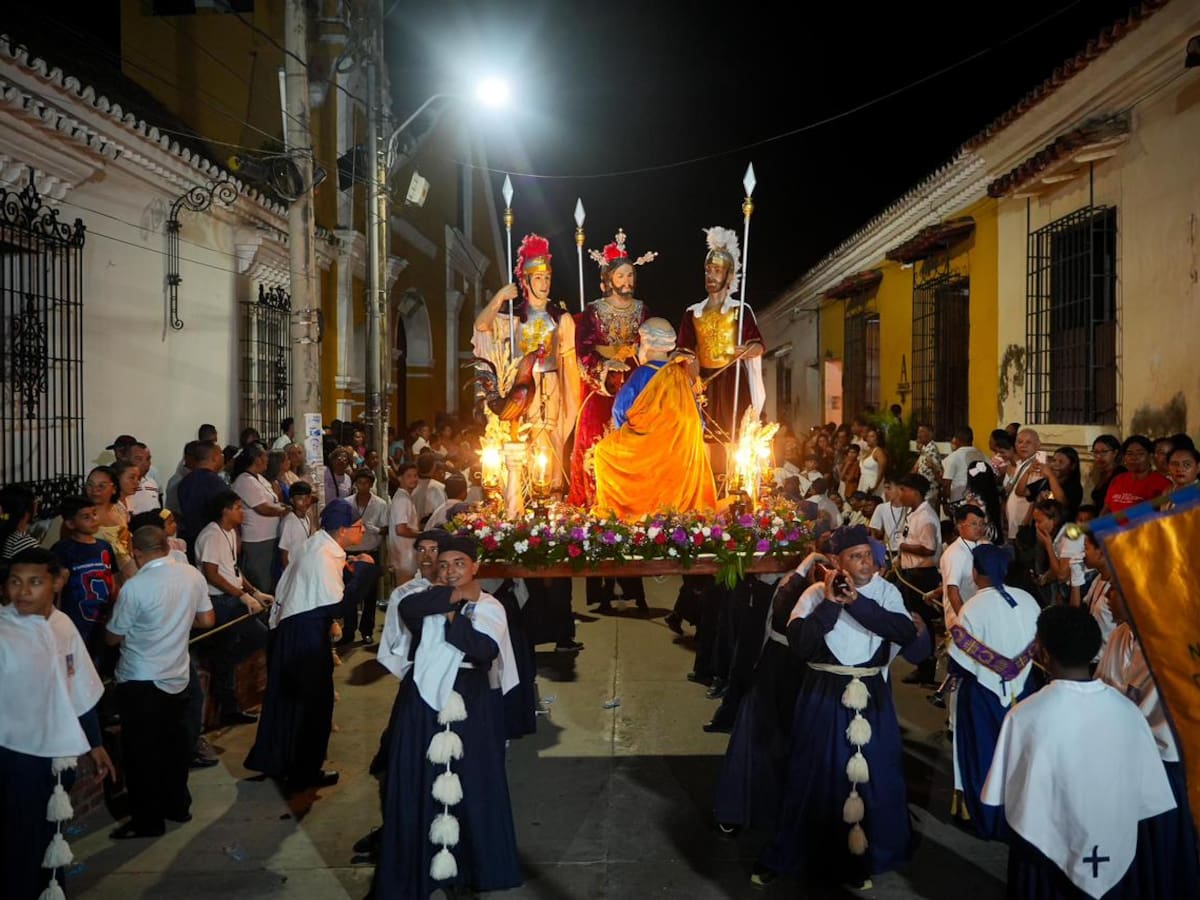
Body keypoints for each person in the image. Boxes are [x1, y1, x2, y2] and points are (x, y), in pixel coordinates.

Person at [754, 525, 918, 891]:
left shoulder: (885, 592)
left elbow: (905, 633)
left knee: (875, 775)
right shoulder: (814, 595)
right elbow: (802, 644)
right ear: (836, 562)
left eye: (869, 556)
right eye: (856, 557)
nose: (866, 563)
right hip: (823, 695)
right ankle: (793, 853)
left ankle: (865, 856)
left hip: (871, 697)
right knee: (814, 771)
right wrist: (831, 603)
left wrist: (855, 603)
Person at [982, 606, 1177, 899]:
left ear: (1043, 654)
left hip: (1045, 858)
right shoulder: (1128, 713)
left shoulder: (1025, 716)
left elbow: (1000, 797)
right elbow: (1150, 798)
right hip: (1117, 852)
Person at [371, 536, 522, 899]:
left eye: (459, 563)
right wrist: (455, 597)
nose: (451, 571)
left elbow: (482, 649)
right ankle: (418, 871)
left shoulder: (491, 606)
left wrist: (452, 613)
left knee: (473, 781)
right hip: (423, 703)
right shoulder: (421, 598)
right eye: (444, 565)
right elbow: (409, 610)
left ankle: (474, 866)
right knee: (419, 779)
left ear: (475, 568)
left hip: (472, 702)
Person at [1, 548, 115, 900]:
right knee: (16, 840)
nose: (23, 592)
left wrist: (95, 745)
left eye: (34, 582)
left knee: (50, 837)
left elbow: (79, 689)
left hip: (56, 759)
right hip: (14, 756)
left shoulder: (63, 625)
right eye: (15, 583)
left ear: (57, 582)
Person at [244, 499, 377, 789]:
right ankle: (305, 772)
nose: (363, 529)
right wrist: (365, 571)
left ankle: (279, 760)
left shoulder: (317, 544)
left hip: (289, 630)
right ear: (342, 530)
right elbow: (337, 606)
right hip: (304, 637)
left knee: (287, 702)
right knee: (314, 705)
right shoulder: (323, 557)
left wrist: (351, 563)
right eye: (358, 526)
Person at [104, 527, 214, 839]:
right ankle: (177, 806)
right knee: (174, 746)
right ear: (166, 546)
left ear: (136, 551)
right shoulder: (191, 575)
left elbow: (113, 636)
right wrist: (176, 622)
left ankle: (147, 821)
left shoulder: (135, 587)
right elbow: (207, 620)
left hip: (140, 677)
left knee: (141, 754)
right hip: (178, 674)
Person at [1096, 588, 1200, 900]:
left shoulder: (1175, 645)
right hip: (1123, 757)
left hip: (1165, 762)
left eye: (1114, 591)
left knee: (1165, 844)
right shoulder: (1121, 635)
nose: (1108, 598)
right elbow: (1106, 686)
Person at [473, 233, 581, 490]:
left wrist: (572, 401)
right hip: (521, 384)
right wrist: (499, 297)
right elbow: (481, 325)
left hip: (550, 386)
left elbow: (570, 368)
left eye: (547, 278)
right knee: (521, 440)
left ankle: (549, 492)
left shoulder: (561, 319)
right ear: (525, 280)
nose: (544, 284)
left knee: (547, 441)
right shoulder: (512, 318)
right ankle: (520, 494)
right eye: (538, 278)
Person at [948, 544, 1040, 837]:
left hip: (982, 694)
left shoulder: (973, 607)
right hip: (1024, 689)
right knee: (1020, 753)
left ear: (975, 573)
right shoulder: (1028, 600)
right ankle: (1020, 816)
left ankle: (987, 817)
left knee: (983, 753)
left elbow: (958, 663)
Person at [592, 318, 717, 521]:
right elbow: (698, 420)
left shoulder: (641, 374)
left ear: (647, 343)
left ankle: (627, 513)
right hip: (681, 459)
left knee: (602, 452)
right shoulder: (680, 375)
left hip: (647, 455)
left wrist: (637, 436)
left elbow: (619, 412)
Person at [569, 228, 656, 507]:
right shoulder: (594, 310)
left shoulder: (643, 310)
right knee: (597, 446)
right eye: (621, 275)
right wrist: (605, 368)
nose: (627, 280)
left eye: (630, 275)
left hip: (634, 387)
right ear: (609, 279)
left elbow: (653, 345)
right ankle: (597, 504)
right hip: (602, 389)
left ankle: (634, 502)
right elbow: (583, 350)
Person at [676, 226, 765, 446]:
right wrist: (693, 374)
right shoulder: (692, 313)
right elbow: (684, 351)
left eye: (716, 270)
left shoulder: (740, 309)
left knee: (736, 437)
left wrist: (744, 351)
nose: (710, 275)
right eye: (708, 270)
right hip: (705, 382)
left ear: (729, 275)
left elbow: (759, 346)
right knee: (704, 439)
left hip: (733, 379)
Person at [193, 491, 272, 726]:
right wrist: (241, 596)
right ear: (224, 510)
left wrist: (253, 591)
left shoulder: (230, 533)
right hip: (220, 601)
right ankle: (225, 681)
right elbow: (211, 572)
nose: (242, 511)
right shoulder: (211, 535)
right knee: (260, 636)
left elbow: (234, 570)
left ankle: (229, 694)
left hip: (233, 597)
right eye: (238, 507)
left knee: (235, 648)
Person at [51, 495, 120, 661]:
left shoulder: (104, 547)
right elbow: (56, 590)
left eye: (94, 514)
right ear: (70, 523)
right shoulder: (62, 550)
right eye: (86, 517)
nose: (93, 519)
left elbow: (113, 579)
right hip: (76, 621)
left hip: (102, 619)